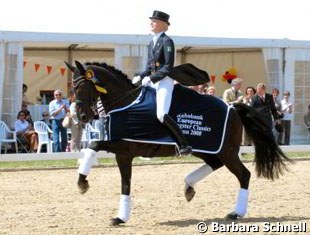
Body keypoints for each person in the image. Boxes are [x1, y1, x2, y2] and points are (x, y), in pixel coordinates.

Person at [131, 10, 191, 155]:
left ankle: (184, 144)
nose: (151, 23)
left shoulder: (167, 41)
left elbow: (167, 67)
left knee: (161, 115)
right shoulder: (151, 42)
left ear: (163, 25)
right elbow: (149, 67)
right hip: (153, 81)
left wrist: (151, 78)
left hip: (164, 81)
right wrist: (140, 76)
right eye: (151, 21)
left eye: (155, 21)